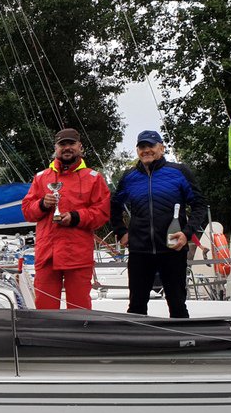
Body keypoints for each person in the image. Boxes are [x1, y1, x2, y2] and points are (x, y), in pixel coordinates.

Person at [110, 130, 207, 318]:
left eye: (151, 146)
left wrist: (187, 233)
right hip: (140, 251)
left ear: (161, 148)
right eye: (142, 146)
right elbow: (114, 205)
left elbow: (199, 204)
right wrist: (121, 231)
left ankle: (181, 336)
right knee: (136, 306)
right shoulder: (129, 177)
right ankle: (139, 337)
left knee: (177, 304)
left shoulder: (179, 172)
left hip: (172, 249)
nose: (146, 150)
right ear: (137, 150)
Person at [21, 128, 111, 309]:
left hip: (77, 255)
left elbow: (102, 213)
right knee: (45, 311)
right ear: (56, 148)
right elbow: (27, 211)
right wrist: (42, 204)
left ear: (80, 147)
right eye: (62, 144)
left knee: (79, 312)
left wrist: (75, 217)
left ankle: (79, 330)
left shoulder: (94, 178)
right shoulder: (41, 178)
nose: (67, 148)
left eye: (71, 143)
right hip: (47, 255)